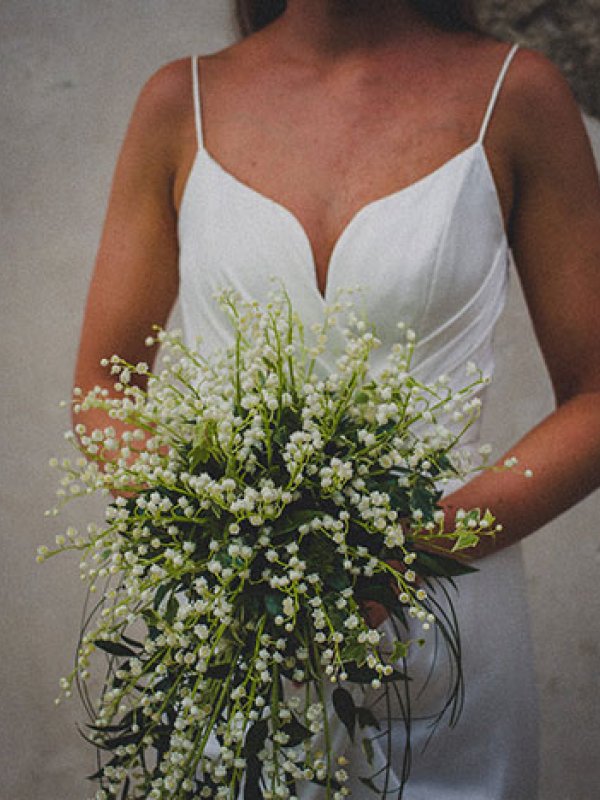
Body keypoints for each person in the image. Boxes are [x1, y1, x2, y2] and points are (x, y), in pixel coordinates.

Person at [72, 1, 600, 797]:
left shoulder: (516, 95)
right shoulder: (181, 102)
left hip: (448, 615)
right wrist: (226, 554)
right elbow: (105, 387)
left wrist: (413, 549)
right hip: (234, 639)